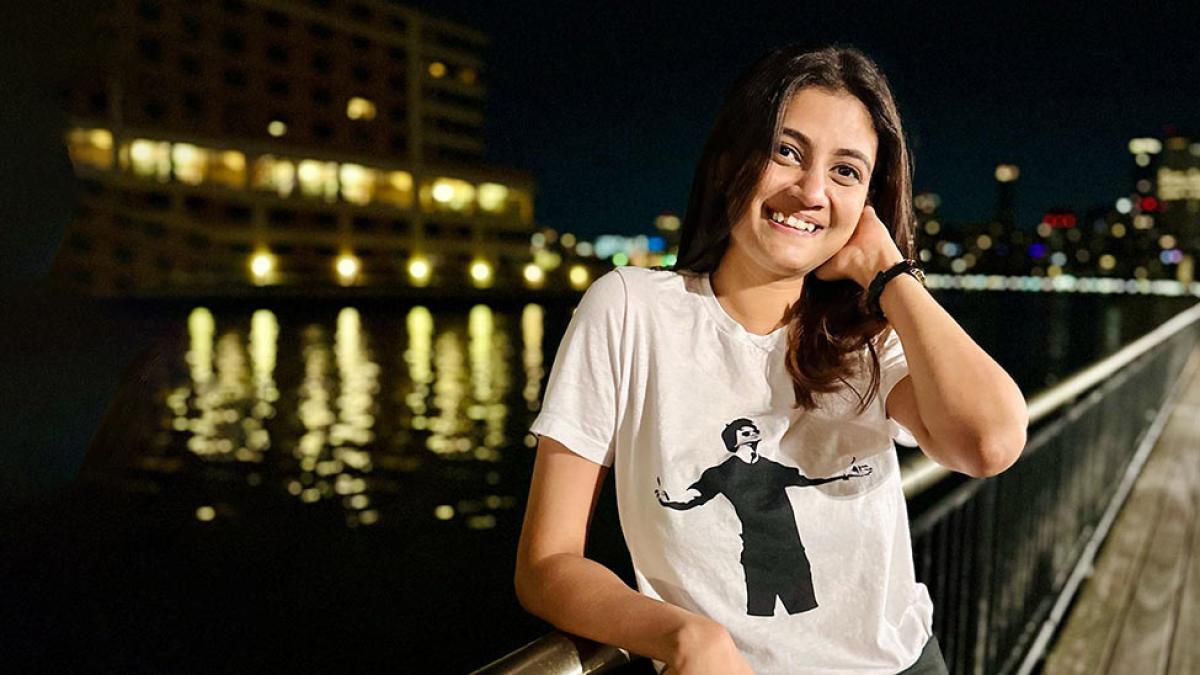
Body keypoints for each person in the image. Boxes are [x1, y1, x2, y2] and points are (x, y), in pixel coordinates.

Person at [514, 42, 1028, 675]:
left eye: (846, 171)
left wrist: (889, 274)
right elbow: (547, 563)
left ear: (870, 201)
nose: (811, 190)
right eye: (787, 151)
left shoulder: (867, 335)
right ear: (733, 161)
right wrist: (684, 635)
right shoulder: (632, 310)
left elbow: (990, 444)